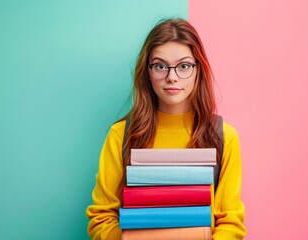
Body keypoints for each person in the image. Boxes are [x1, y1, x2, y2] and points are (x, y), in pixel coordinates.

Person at [86, 18, 246, 240]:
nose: (172, 77)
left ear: (198, 70)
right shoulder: (121, 135)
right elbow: (101, 217)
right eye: (160, 66)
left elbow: (230, 222)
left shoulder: (223, 137)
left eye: (184, 66)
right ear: (148, 72)